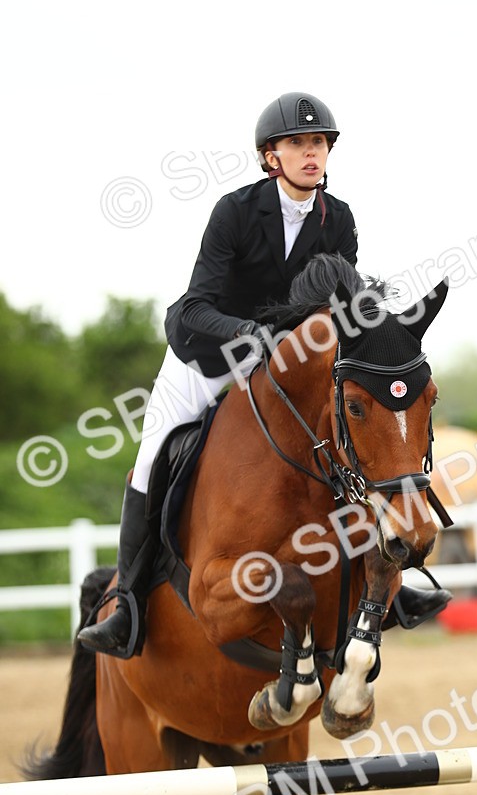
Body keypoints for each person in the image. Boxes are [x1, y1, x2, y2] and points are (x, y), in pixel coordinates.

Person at [79, 92, 449, 658]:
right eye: (298, 143)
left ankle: (388, 590)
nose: (311, 153)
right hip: (207, 353)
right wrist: (252, 335)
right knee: (152, 457)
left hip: (287, 365)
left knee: (344, 441)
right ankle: (127, 602)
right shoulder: (234, 211)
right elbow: (198, 304)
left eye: (319, 143)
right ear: (269, 157)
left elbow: (344, 310)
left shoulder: (339, 218)